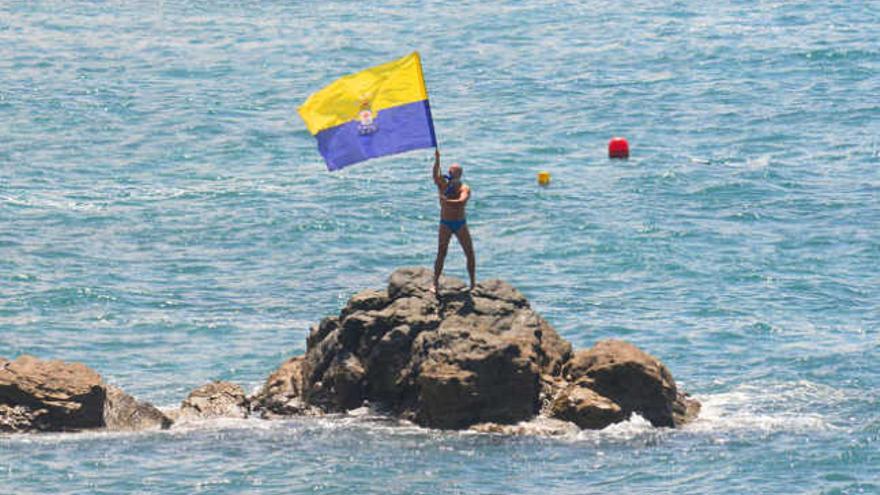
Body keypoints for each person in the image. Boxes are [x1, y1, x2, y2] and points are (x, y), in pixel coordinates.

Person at [431, 148, 476, 294]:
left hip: (460, 223)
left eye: (454, 173)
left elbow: (461, 202)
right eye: (450, 173)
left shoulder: (464, 188)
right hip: (445, 223)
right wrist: (437, 159)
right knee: (441, 252)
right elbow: (434, 176)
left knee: (469, 252)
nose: (451, 175)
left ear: (459, 175)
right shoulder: (443, 184)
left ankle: (473, 283)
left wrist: (446, 200)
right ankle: (435, 283)